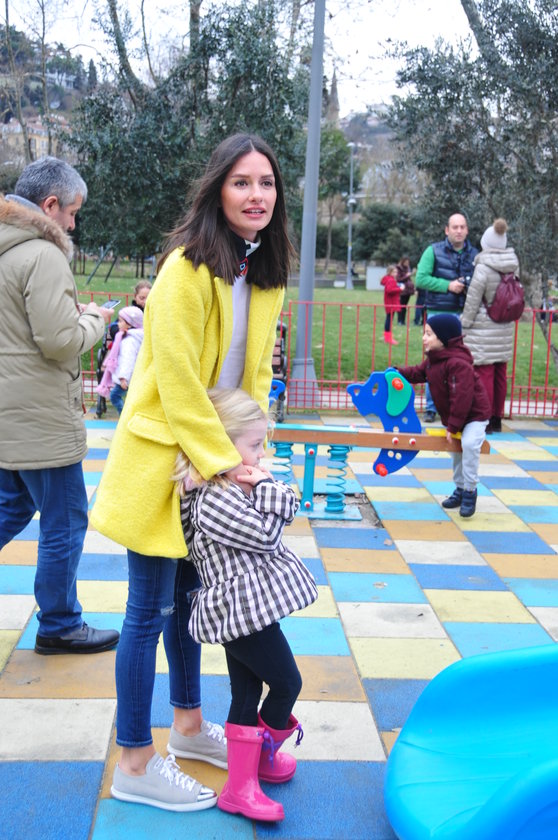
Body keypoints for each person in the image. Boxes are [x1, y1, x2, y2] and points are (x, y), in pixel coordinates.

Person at [90, 133, 295, 812]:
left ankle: (186, 727)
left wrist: (253, 450)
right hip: (167, 464)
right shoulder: (186, 266)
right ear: (217, 190)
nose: (256, 195)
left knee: (190, 605)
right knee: (147, 611)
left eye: (266, 183)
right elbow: (177, 381)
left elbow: (255, 373)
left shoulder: (264, 272)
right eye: (242, 182)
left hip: (215, 462)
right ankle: (134, 761)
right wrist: (225, 462)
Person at [175, 388, 317, 822]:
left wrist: (263, 486)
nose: (261, 455)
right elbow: (267, 536)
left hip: (249, 609)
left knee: (247, 692)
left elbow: (286, 509)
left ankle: (245, 779)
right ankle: (255, 767)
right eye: (254, 445)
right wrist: (268, 485)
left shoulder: (230, 487)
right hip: (239, 613)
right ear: (221, 443)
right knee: (287, 683)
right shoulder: (213, 499)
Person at [0, 156, 120, 655]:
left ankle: (60, 619)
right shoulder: (43, 254)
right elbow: (59, 342)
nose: (72, 224)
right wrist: (95, 319)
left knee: (12, 505)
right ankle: (60, 624)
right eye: (72, 213)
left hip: (10, 411)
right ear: (50, 205)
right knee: (65, 522)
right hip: (42, 418)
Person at [397, 314, 490, 518]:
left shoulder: (458, 364)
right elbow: (417, 373)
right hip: (457, 417)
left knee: (469, 445)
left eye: (429, 334)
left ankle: (470, 490)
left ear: (444, 338)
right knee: (456, 451)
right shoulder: (434, 360)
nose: (424, 338)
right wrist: (397, 373)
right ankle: (460, 488)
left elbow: (462, 397)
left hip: (474, 415)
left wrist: (453, 425)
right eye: (425, 333)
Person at [415, 213, 478, 422]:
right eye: (455, 227)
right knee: (435, 362)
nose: (459, 231)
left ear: (467, 230)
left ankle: (458, 408)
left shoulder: (475, 254)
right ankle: (431, 407)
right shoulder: (433, 251)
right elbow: (420, 279)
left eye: (462, 227)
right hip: (439, 313)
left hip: (465, 314)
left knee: (462, 363)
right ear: (447, 230)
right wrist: (447, 285)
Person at [461, 219, 519, 434]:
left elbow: (473, 300)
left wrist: (464, 324)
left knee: (484, 374)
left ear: (485, 243)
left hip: (483, 329)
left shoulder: (483, 268)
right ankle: (496, 418)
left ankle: (483, 419)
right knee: (500, 375)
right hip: (505, 326)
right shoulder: (513, 264)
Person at [96, 306, 144, 415]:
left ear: (130, 324)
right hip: (133, 376)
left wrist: (123, 378)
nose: (118, 324)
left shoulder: (129, 341)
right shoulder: (131, 337)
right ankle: (128, 415)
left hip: (127, 377)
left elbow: (127, 360)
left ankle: (124, 415)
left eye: (121, 321)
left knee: (114, 396)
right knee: (130, 397)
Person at [381, 264, 403, 345]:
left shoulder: (389, 279)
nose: (396, 273)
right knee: (389, 320)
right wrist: (399, 289)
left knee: (389, 319)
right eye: (394, 272)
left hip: (389, 302)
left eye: (396, 272)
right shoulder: (391, 280)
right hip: (391, 303)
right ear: (389, 272)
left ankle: (386, 336)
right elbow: (389, 290)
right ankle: (388, 338)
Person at [395, 256, 414, 326]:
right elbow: (398, 279)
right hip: (402, 290)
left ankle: (403, 321)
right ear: (403, 261)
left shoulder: (408, 268)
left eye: (408, 262)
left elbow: (408, 279)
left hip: (408, 290)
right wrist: (407, 275)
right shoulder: (398, 268)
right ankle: (399, 320)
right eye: (406, 262)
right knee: (401, 306)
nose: (407, 263)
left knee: (404, 306)